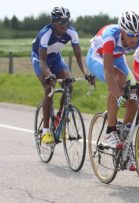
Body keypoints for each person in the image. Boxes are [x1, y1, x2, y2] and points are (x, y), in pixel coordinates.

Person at [86, 11, 139, 171]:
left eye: (136, 35)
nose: (134, 39)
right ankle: (111, 130)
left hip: (118, 57)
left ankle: (125, 140)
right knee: (117, 78)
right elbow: (108, 72)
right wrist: (118, 95)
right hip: (98, 56)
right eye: (130, 35)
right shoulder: (110, 36)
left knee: (134, 89)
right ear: (122, 31)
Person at [31, 6, 94, 144]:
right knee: (49, 88)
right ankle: (46, 132)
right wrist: (49, 74)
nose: (65, 25)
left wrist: (86, 73)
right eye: (61, 22)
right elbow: (42, 60)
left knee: (68, 85)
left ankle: (59, 118)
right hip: (40, 59)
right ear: (53, 22)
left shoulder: (72, 32)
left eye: (67, 21)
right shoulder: (46, 33)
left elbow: (78, 56)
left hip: (55, 58)